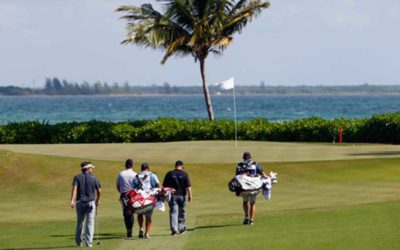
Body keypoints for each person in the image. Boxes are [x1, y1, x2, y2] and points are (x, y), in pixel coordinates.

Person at [70, 161, 101, 247]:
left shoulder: (77, 177)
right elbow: (99, 190)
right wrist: (98, 200)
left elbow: (74, 188)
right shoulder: (94, 178)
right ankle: (88, 243)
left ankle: (78, 243)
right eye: (91, 168)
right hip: (91, 203)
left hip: (80, 203)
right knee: (90, 223)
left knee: (80, 223)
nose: (92, 169)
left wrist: (72, 200)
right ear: (87, 168)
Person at [236, 152, 267, 225]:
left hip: (243, 188)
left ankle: (246, 217)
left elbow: (237, 177)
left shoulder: (239, 165)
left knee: (245, 201)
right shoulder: (255, 164)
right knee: (252, 203)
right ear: (250, 157)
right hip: (254, 188)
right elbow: (263, 175)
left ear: (243, 157)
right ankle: (251, 220)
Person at [162, 160, 192, 235]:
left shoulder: (169, 174)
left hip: (172, 196)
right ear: (182, 166)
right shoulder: (184, 174)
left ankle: (174, 229)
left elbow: (164, 186)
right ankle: (181, 228)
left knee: (173, 212)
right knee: (182, 212)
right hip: (182, 196)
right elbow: (188, 186)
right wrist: (190, 195)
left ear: (175, 166)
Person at [131, 162, 160, 239]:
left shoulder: (136, 176)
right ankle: (147, 233)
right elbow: (158, 186)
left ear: (141, 169)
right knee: (148, 216)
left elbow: (133, 188)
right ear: (148, 168)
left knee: (139, 214)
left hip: (139, 199)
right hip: (149, 199)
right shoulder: (152, 175)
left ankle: (141, 228)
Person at [116, 159, 137, 239]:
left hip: (123, 195)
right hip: (133, 195)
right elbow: (138, 186)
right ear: (132, 165)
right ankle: (130, 229)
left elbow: (118, 186)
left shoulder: (121, 174)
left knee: (125, 213)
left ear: (125, 165)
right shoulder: (135, 174)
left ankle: (128, 230)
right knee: (131, 212)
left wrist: (121, 192)